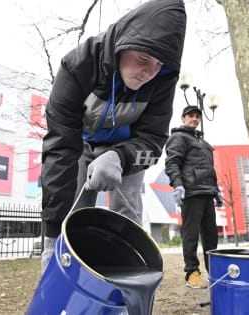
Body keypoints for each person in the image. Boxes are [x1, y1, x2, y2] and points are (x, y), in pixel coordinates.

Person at [40, 0, 187, 272]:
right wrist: (52, 234)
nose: (149, 72)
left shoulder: (161, 81)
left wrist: (121, 157)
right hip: (80, 144)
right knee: (74, 212)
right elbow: (60, 147)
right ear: (122, 44)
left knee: (127, 212)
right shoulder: (78, 66)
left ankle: (123, 279)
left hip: (126, 150)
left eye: (158, 64)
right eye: (143, 58)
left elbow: (153, 143)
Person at [165, 105, 222, 289]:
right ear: (183, 118)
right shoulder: (178, 137)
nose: (194, 119)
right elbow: (172, 162)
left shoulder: (204, 143)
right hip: (190, 192)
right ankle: (192, 273)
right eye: (190, 116)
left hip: (207, 192)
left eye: (197, 116)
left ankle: (214, 272)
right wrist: (178, 184)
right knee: (190, 235)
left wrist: (216, 189)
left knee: (211, 236)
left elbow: (210, 170)